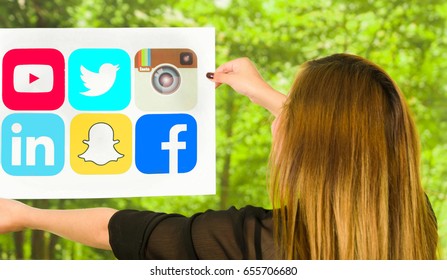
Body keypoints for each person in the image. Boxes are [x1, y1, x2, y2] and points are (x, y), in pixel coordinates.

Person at [0, 54, 438, 260]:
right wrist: (269, 96)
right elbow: (359, 150)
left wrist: (24, 214)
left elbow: (115, 227)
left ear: (305, 140)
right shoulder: (413, 219)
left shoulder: (250, 242)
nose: (276, 121)